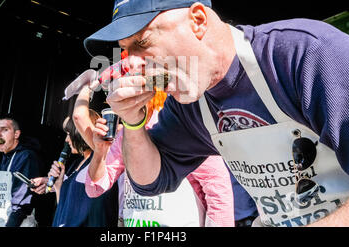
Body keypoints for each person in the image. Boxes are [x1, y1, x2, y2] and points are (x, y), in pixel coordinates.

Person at [80, 0, 349, 227]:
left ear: (198, 20)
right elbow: (150, 180)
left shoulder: (305, 54)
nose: (133, 63)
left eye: (143, 42)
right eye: (126, 50)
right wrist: (133, 122)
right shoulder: (190, 105)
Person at [68, 63, 234, 227]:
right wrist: (99, 152)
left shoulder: (180, 126)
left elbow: (218, 191)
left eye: (129, 86)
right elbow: (95, 188)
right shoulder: (123, 136)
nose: (121, 96)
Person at [30, 113, 118, 227]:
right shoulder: (75, 165)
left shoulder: (99, 162)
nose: (67, 140)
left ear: (80, 133)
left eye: (69, 134)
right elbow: (65, 208)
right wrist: (58, 185)